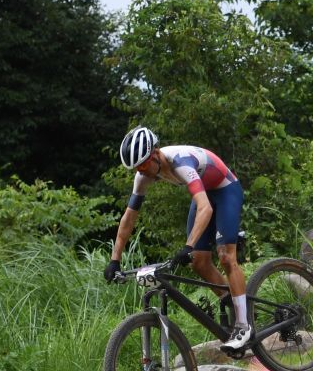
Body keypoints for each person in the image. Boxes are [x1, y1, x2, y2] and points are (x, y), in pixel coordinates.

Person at [103, 126, 251, 350]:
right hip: (204, 192)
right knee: (199, 262)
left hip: (226, 189)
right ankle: (233, 301)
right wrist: (115, 260)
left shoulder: (181, 162)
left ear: (155, 154)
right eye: (136, 169)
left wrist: (188, 245)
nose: (142, 172)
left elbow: (205, 209)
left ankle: (243, 324)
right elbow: (128, 219)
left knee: (225, 256)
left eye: (143, 166)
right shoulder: (142, 176)